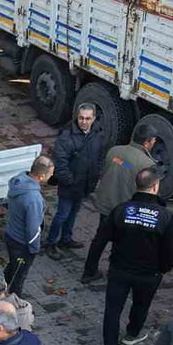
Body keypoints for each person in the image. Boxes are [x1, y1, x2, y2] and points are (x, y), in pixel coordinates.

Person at [97, 168, 173, 345]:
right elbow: (170, 249)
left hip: (120, 268)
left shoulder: (122, 209)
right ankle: (132, 334)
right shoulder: (165, 216)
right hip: (148, 274)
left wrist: (93, 265)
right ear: (155, 186)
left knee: (113, 308)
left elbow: (102, 238)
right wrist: (163, 269)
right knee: (141, 305)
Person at [81, 121, 159, 283]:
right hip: (125, 210)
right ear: (146, 142)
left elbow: (110, 170)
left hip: (106, 204)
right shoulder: (147, 164)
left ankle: (89, 271)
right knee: (121, 244)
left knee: (100, 239)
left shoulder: (114, 151)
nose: (153, 143)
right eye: (153, 141)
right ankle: (114, 274)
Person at [46, 104, 107, 257]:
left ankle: (66, 239)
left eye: (87, 118)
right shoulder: (66, 137)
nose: (84, 121)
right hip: (69, 185)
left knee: (73, 213)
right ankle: (50, 243)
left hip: (84, 185)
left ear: (93, 119)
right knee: (62, 214)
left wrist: (95, 175)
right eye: (81, 118)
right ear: (77, 117)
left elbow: (99, 157)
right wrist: (69, 181)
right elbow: (60, 163)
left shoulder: (98, 134)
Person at [4, 156, 55, 297]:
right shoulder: (33, 198)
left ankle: (0, 288)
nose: (52, 176)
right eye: (51, 174)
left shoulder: (18, 182)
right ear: (41, 176)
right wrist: (34, 248)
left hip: (10, 234)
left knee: (13, 267)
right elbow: (32, 227)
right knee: (19, 277)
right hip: (22, 242)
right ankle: (13, 303)